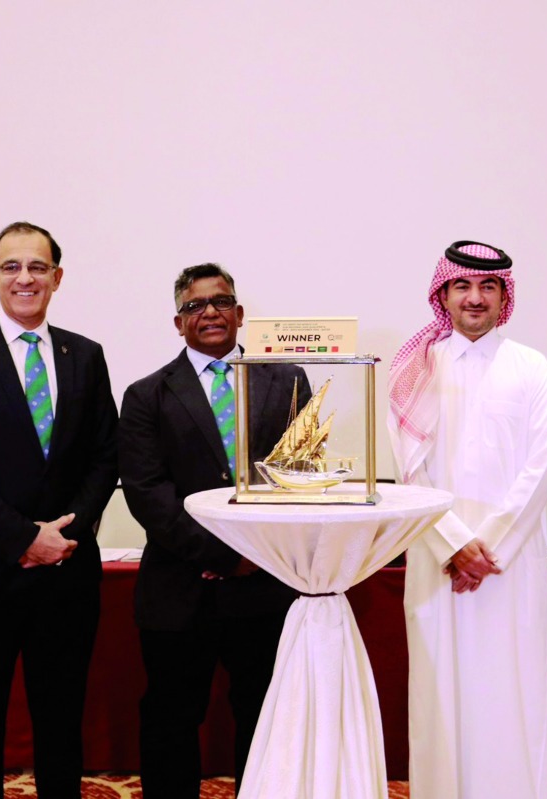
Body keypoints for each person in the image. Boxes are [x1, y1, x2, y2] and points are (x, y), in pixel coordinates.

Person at [0, 221, 119, 799]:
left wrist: (64, 535)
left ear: (57, 278)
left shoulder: (85, 355)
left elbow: (105, 458)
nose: (24, 278)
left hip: (68, 569)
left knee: (62, 721)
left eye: (37, 267)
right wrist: (21, 538)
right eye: (12, 267)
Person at [118, 263, 311, 799]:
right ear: (177, 323)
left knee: (265, 716)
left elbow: (300, 474)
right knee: (171, 721)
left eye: (220, 302)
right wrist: (225, 555)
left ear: (240, 314)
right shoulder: (145, 396)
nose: (208, 313)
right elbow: (147, 493)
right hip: (180, 592)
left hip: (266, 588)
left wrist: (255, 553)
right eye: (193, 306)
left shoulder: (289, 380)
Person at [388, 241, 547, 799]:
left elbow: (543, 465)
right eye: (462, 286)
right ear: (443, 293)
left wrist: (489, 549)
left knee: (515, 691)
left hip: (513, 567)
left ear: (504, 297)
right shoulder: (416, 369)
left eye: (488, 287)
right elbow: (409, 473)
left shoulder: (531, 367)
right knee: (442, 696)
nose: (475, 298)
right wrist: (455, 546)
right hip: (438, 563)